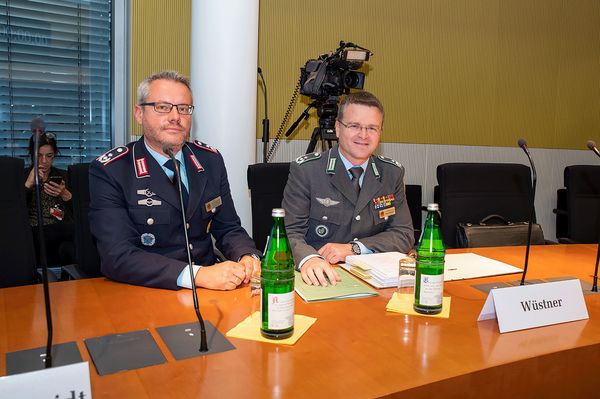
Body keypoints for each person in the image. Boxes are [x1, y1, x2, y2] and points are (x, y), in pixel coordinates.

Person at [89, 70, 261, 290]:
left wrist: (246, 256)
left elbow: (228, 228)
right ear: (139, 113)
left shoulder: (210, 161)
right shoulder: (112, 170)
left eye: (183, 109)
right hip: (147, 290)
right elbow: (118, 256)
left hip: (212, 289)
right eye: (162, 107)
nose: (175, 117)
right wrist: (198, 275)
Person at [282, 91, 414, 286]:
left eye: (372, 128)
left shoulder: (391, 173)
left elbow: (403, 233)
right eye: (354, 126)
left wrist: (355, 248)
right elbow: (290, 232)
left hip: (375, 279)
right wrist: (310, 259)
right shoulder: (307, 171)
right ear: (337, 128)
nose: (363, 135)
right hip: (322, 277)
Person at [24, 120, 74, 267]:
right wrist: (28, 185)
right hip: (33, 233)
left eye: (49, 156)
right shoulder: (22, 176)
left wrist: (66, 195)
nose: (44, 161)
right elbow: (14, 214)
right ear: (31, 154)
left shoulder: (63, 177)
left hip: (60, 232)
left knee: (70, 242)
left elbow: (79, 213)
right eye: (39, 156)